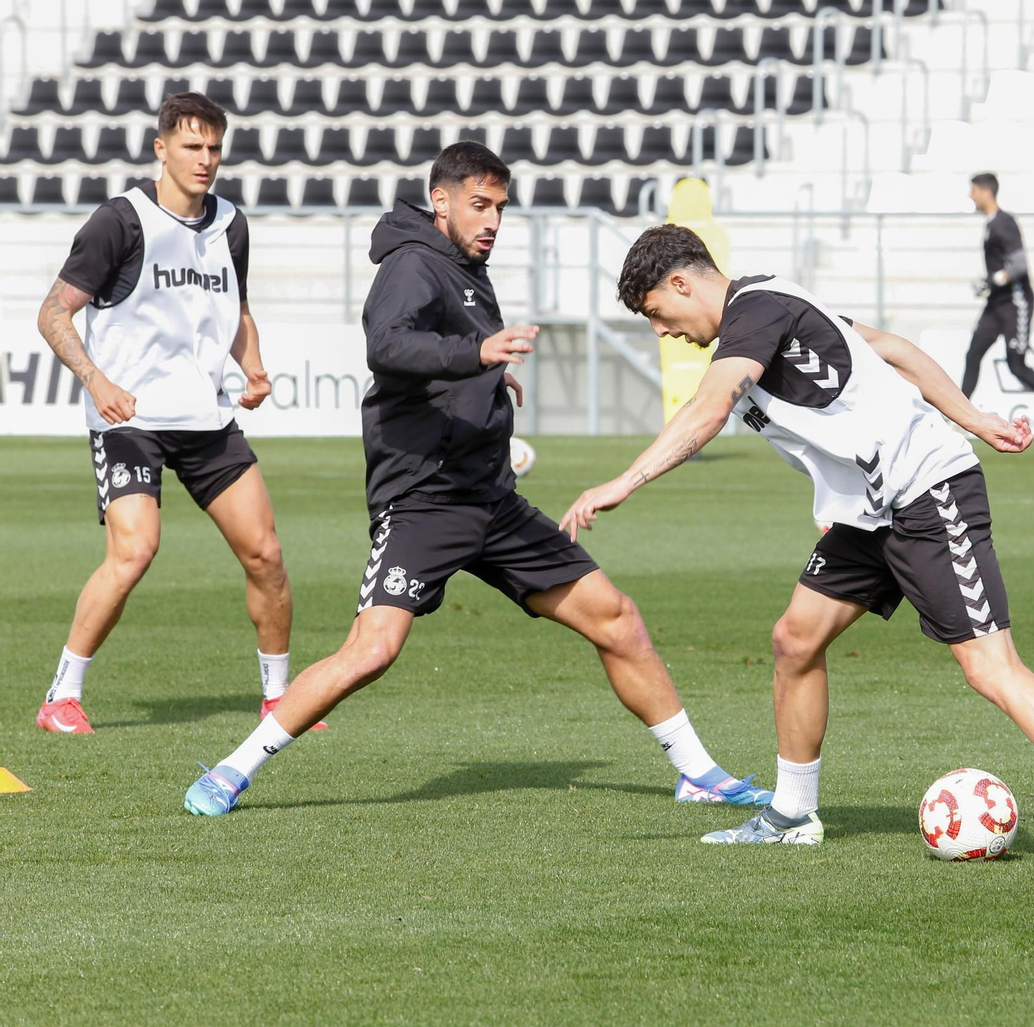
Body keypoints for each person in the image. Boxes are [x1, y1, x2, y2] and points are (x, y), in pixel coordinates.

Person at [560, 224, 1034, 874]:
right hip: (868, 514)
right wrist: (975, 418)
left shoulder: (756, 311)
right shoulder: (775, 303)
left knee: (990, 668)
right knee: (795, 640)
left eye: (657, 312)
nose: (662, 330)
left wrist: (626, 480)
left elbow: (711, 406)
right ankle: (792, 815)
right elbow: (891, 351)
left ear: (681, 282)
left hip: (927, 492)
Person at [183, 143, 770, 815]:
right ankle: (233, 768)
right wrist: (478, 352)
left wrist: (487, 376)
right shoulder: (411, 264)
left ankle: (696, 771)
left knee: (617, 619)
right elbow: (387, 345)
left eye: (500, 208)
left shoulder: (464, 267)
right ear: (442, 201)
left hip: (491, 498)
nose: (491, 220)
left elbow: (448, 357)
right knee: (372, 650)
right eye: (479, 205)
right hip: (426, 500)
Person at [33, 91, 302, 735]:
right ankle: (60, 698)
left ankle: (279, 698)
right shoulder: (119, 221)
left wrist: (253, 365)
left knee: (265, 553)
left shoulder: (231, 223)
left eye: (214, 147)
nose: (205, 159)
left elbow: (235, 309)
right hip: (129, 420)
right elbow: (53, 313)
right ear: (161, 149)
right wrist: (96, 381)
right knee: (135, 550)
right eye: (191, 146)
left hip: (206, 418)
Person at [960, 173, 1034, 431]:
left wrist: (993, 280)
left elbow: (1019, 265)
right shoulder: (991, 224)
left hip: (1016, 302)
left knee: (1016, 363)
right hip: (997, 303)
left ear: (986, 192)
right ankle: (959, 417)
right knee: (974, 353)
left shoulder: (1004, 222)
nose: (971, 196)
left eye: (973, 191)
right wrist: (989, 282)